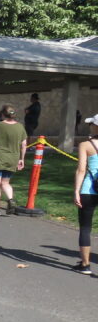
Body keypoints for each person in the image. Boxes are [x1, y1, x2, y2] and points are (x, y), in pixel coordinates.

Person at [71, 114, 98, 273]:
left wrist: (76, 190)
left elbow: (81, 169)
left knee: (86, 227)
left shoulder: (85, 145)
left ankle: (85, 264)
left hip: (89, 189)